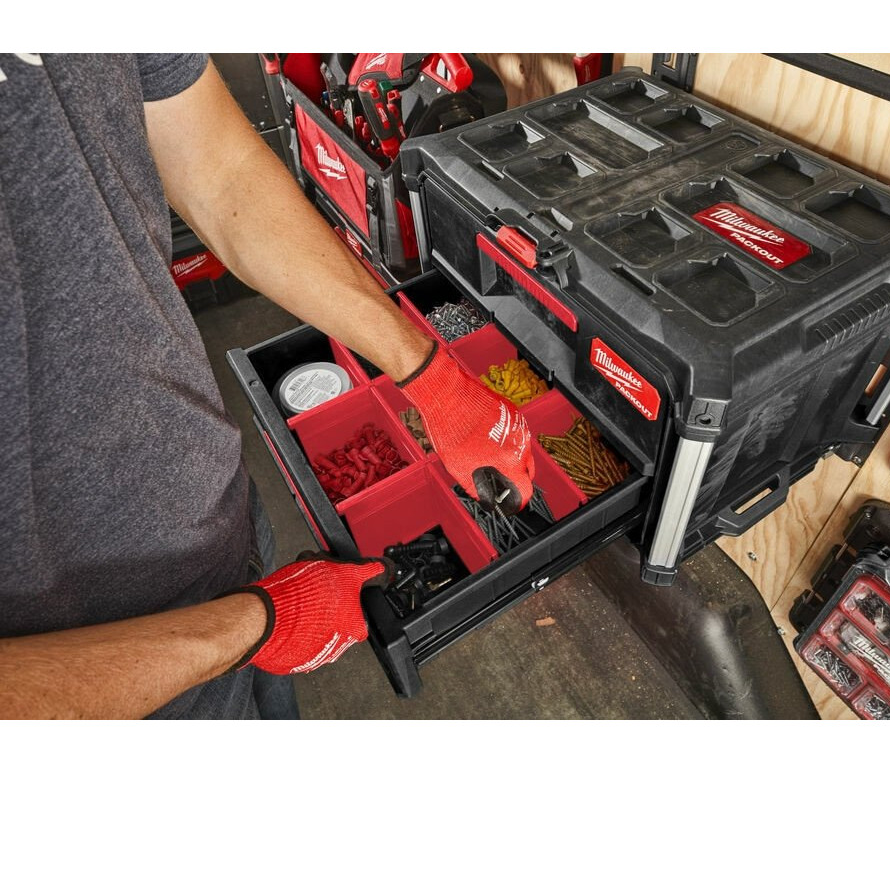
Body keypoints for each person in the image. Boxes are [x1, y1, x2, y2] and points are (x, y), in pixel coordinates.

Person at [0, 53, 534, 720]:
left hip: (215, 522)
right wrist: (245, 628)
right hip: (101, 673)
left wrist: (431, 376)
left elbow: (221, 174)